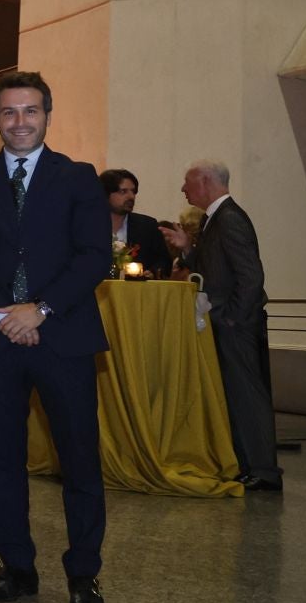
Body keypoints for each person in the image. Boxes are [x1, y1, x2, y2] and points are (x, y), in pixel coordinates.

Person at [0, 71, 110, 603]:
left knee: (80, 458)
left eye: (31, 111)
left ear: (47, 114)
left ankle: (84, 574)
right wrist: (2, 313)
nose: (20, 121)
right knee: (2, 458)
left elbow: (93, 256)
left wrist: (38, 309)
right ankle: (16, 567)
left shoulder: (79, 177)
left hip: (61, 335)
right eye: (10, 112)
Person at [168, 160, 279, 491]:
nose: (184, 189)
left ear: (205, 181)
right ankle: (248, 465)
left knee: (247, 397)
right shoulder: (214, 218)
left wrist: (231, 317)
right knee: (235, 396)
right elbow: (215, 268)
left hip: (237, 325)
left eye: (188, 183)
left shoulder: (229, 218)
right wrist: (188, 248)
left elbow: (251, 276)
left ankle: (263, 470)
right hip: (230, 321)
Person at [100, 168, 172, 278]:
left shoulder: (147, 226)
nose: (131, 197)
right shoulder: (89, 226)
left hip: (136, 292)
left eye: (133, 191)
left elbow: (164, 262)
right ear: (106, 194)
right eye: (123, 191)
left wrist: (152, 273)